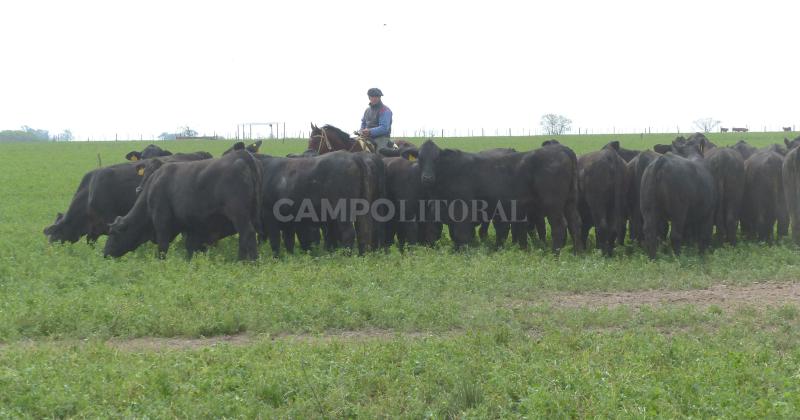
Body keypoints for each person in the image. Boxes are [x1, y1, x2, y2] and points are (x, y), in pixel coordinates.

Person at [359, 88, 393, 154]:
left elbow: (384, 128)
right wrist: (361, 130)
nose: (374, 98)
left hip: (381, 138)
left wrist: (370, 131)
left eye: (377, 96)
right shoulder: (367, 110)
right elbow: (363, 123)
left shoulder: (385, 110)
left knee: (379, 154)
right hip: (367, 137)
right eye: (372, 96)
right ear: (369, 97)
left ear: (380, 97)